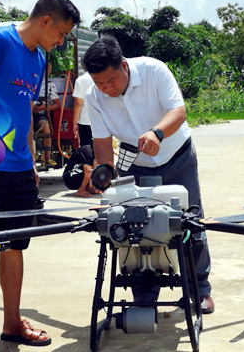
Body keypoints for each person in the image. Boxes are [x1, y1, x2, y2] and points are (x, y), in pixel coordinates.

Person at [0, 0, 80, 352]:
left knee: (15, 244)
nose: (61, 42)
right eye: (61, 34)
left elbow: (22, 109)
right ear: (45, 22)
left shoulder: (39, 57)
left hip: (19, 167)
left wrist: (32, 161)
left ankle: (11, 322)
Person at [82, 35, 215, 314]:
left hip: (177, 157)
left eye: (111, 81)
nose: (107, 89)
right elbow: (103, 144)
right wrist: (105, 174)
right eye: (99, 84)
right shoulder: (94, 97)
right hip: (135, 166)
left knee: (191, 223)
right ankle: (144, 293)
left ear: (124, 66)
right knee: (136, 228)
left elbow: (178, 111)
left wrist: (157, 133)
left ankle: (199, 289)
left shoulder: (154, 70)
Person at [33, 61, 61, 168]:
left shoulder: (50, 85)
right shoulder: (30, 81)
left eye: (50, 68)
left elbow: (57, 104)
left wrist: (45, 107)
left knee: (45, 127)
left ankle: (47, 156)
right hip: (26, 113)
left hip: (40, 114)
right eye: (47, 68)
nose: (48, 71)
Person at [72, 65, 95, 147]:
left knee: (87, 149)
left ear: (82, 66)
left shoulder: (80, 80)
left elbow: (78, 103)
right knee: (101, 150)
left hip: (85, 120)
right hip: (101, 120)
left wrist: (74, 123)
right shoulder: (102, 77)